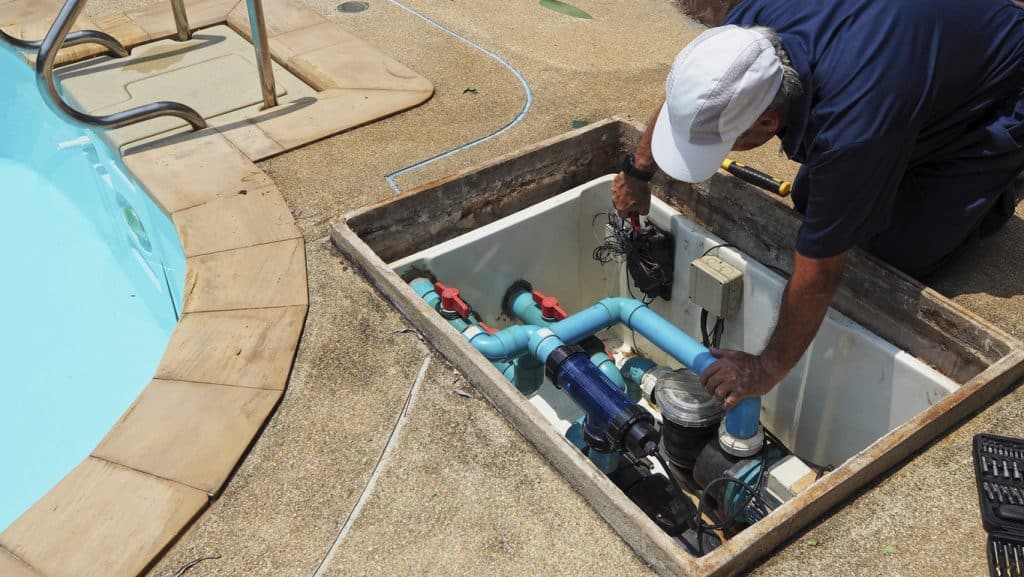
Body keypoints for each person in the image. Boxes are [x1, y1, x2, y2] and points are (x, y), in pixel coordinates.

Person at [613, 0, 1024, 409]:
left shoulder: (851, 130)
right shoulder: (743, 42)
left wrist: (766, 368)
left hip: (1005, 83)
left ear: (768, 123)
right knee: (813, 197)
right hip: (917, 56)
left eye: (721, 141)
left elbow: (822, 274)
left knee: (893, 250)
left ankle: (993, 182)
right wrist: (638, 170)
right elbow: (690, 97)